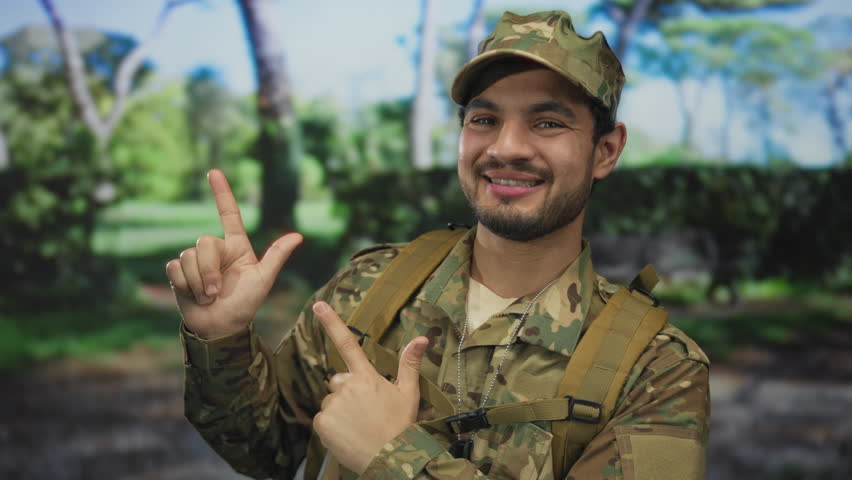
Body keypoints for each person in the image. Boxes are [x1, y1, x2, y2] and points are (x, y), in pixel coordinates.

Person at [168, 10, 710, 480]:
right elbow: (264, 450)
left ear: (606, 150)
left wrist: (394, 457)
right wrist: (221, 338)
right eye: (484, 119)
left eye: (548, 122)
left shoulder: (656, 371)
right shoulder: (370, 286)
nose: (506, 147)